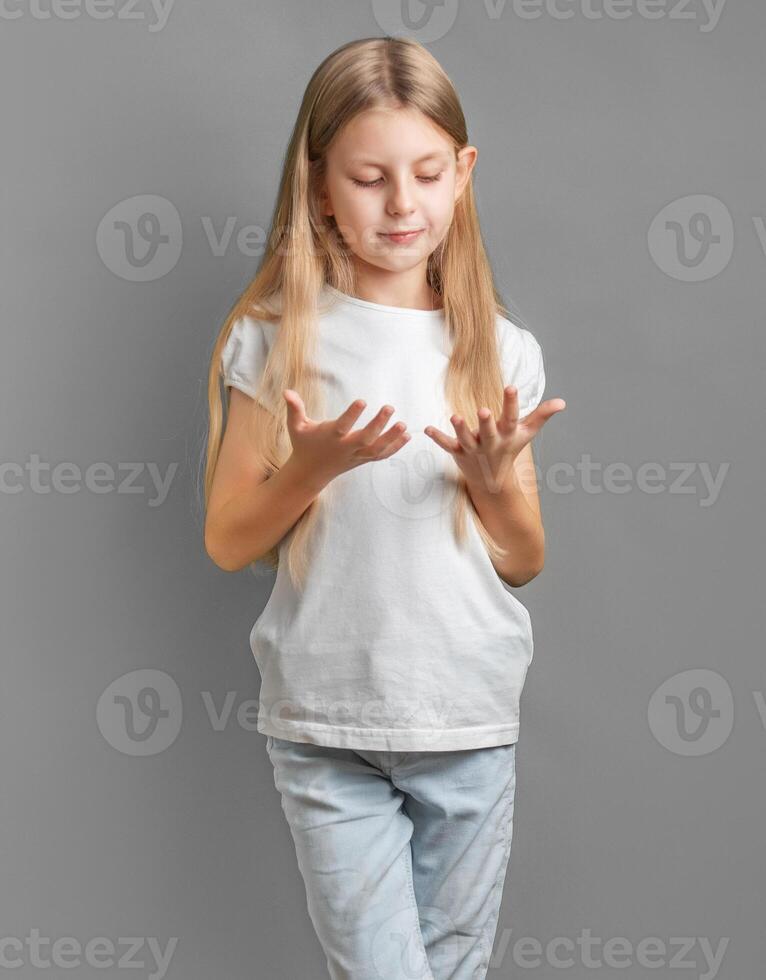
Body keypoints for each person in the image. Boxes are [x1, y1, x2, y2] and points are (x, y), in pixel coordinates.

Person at [203, 35, 566, 980]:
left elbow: (523, 559)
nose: (403, 205)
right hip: (326, 722)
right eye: (370, 178)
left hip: (467, 717)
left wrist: (492, 484)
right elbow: (227, 538)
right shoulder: (274, 341)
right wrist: (308, 468)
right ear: (320, 185)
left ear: (463, 175)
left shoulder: (502, 351)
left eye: (427, 173)